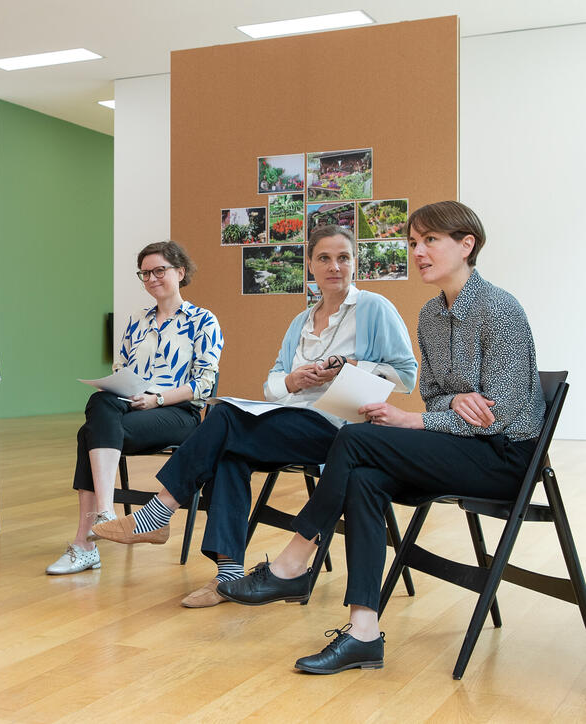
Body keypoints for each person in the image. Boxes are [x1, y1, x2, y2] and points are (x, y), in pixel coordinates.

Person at [217, 201, 545, 674]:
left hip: (504, 459)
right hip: (460, 446)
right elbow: (433, 394)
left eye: (430, 240)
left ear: (466, 244)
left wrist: (420, 420)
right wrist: (450, 404)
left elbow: (502, 412)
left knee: (355, 440)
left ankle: (292, 563)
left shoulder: (500, 308)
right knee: (365, 478)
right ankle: (364, 632)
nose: (418, 252)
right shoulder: (431, 315)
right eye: (413, 243)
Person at [92, 226, 417, 606]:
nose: (334, 267)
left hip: (339, 428)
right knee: (230, 453)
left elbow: (406, 375)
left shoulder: (374, 308)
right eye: (324, 258)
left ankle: (157, 512)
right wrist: (294, 381)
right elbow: (272, 385)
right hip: (290, 419)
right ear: (310, 264)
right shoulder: (301, 322)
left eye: (343, 257)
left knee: (225, 418)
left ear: (354, 262)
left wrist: (351, 364)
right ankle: (227, 577)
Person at [46, 241, 223, 575]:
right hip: (130, 407)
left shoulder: (203, 320)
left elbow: (204, 384)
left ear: (179, 272)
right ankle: (105, 515)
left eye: (160, 270)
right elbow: (121, 368)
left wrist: (157, 399)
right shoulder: (137, 321)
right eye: (145, 273)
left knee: (89, 434)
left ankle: (86, 543)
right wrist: (120, 388)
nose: (152, 278)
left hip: (177, 413)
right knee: (100, 401)